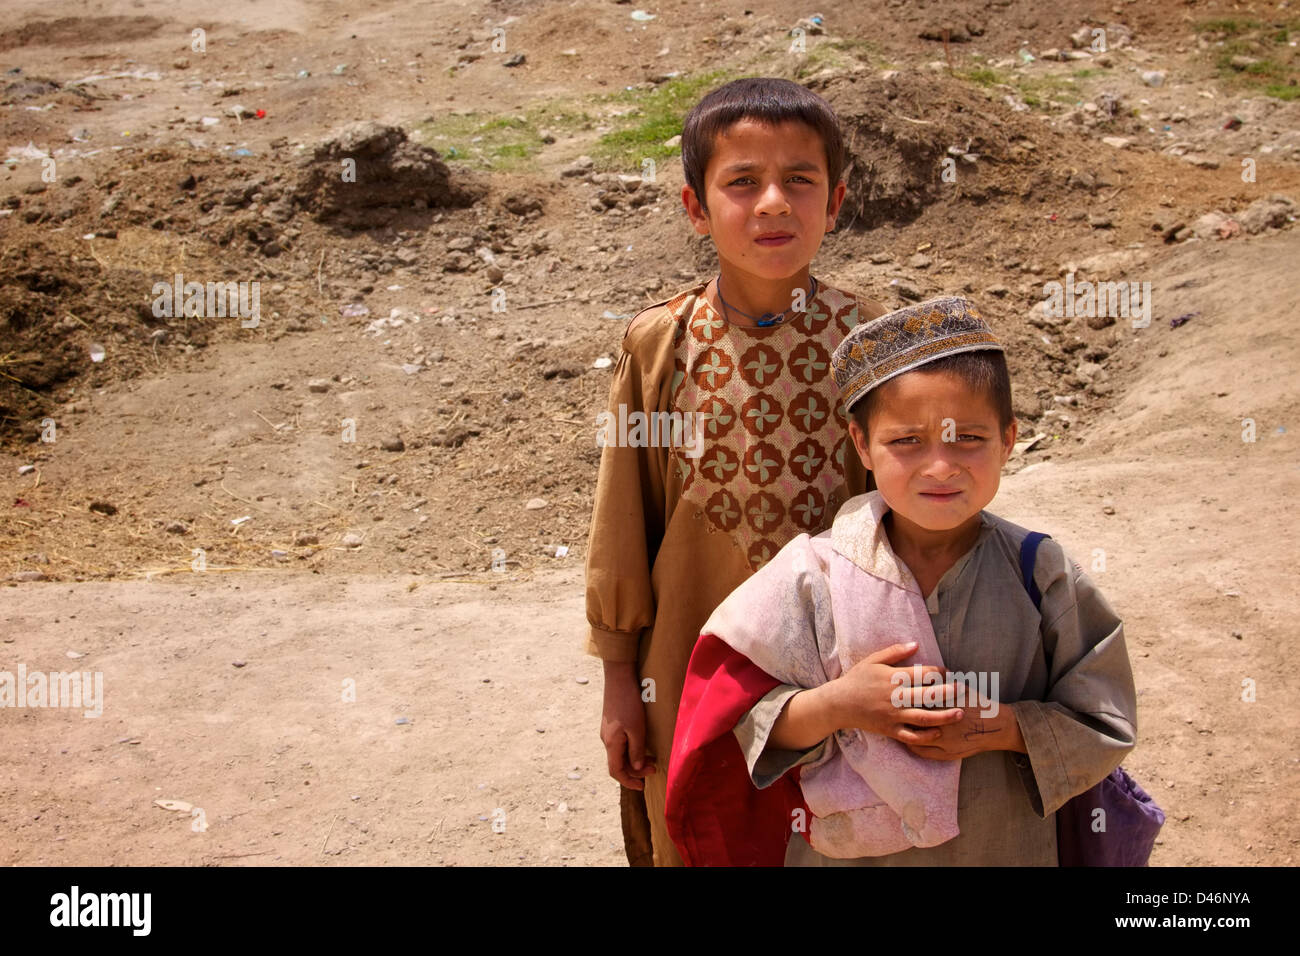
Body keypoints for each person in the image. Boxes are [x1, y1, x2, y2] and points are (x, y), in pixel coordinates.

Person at [665, 297, 1139, 866]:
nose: (940, 467)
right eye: (907, 441)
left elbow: (1103, 719)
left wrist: (1005, 726)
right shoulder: (811, 575)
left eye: (968, 437)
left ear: (1009, 440)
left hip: (999, 847)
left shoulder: (1041, 573)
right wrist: (840, 704)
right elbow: (738, 721)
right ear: (863, 446)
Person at [583, 76, 889, 867]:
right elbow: (623, 519)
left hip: (834, 661)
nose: (774, 204)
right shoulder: (659, 344)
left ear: (838, 198)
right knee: (701, 826)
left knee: (831, 830)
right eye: (742, 182)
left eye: (800, 180)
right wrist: (622, 682)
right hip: (684, 661)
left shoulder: (869, 340)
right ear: (696, 207)